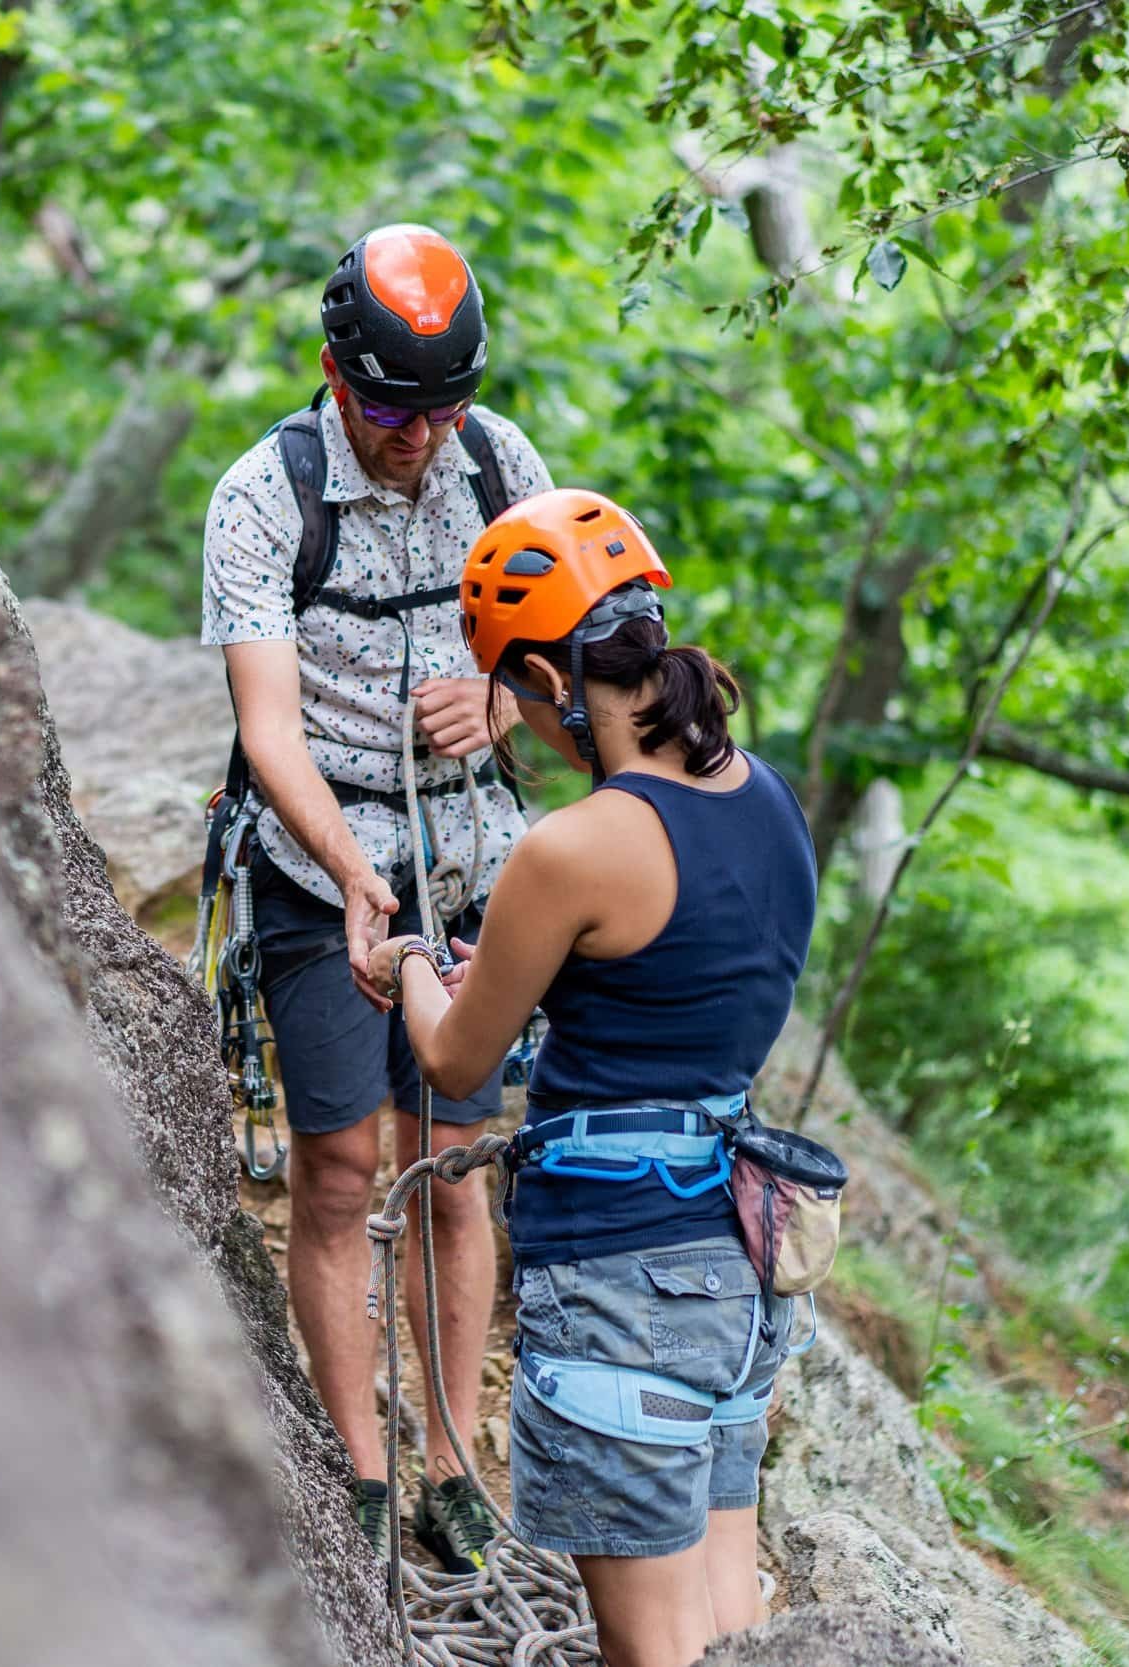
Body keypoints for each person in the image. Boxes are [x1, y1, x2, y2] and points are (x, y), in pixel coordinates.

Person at [370, 487, 817, 1667]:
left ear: (554, 679)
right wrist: (511, 969)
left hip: (621, 1276)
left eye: (517, 695)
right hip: (737, 1270)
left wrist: (411, 959)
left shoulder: (571, 847)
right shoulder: (766, 798)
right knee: (726, 1608)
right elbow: (669, 976)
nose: (520, 721)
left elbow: (454, 1052)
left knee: (648, 1643)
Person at [200, 223, 555, 1569]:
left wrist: (506, 694)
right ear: (336, 375)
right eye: (389, 410)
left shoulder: (497, 461)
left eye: (440, 409)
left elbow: (575, 666)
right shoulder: (264, 495)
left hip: (469, 862)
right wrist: (352, 874)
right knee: (342, 1166)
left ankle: (454, 1454)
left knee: (454, 1169)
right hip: (316, 863)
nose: (416, 437)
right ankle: (357, 1463)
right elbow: (268, 725)